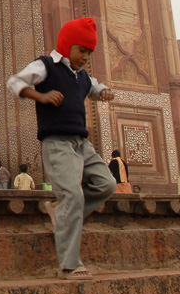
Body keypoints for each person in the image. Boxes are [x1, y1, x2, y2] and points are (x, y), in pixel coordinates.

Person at [7, 15, 117, 280]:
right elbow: (15, 82)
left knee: (107, 185)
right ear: (67, 45)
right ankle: (70, 264)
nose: (85, 57)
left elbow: (94, 86)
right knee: (73, 196)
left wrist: (104, 92)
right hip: (57, 144)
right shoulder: (46, 66)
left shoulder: (82, 77)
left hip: (81, 143)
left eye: (89, 53)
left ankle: (61, 211)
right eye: (81, 51)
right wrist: (40, 96)